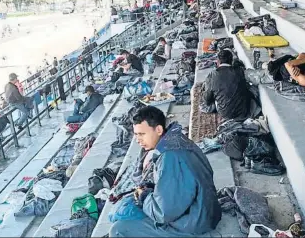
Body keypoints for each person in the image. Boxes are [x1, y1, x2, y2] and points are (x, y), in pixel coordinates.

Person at [109, 106, 222, 237]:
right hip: (203, 211)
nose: (138, 140)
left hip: (194, 223)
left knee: (119, 229)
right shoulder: (177, 140)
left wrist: (144, 197)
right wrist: (150, 190)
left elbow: (162, 213)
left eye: (142, 134)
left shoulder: (170, 157)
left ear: (158, 130)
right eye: (136, 135)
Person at [203, 50, 260, 121]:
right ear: (231, 61)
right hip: (244, 112)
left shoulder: (212, 76)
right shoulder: (240, 71)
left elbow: (207, 100)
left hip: (225, 114)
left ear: (218, 61)